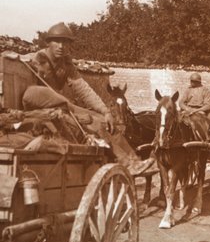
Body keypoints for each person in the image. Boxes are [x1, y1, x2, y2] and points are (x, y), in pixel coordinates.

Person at [22, 22, 154, 175]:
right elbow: (30, 94)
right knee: (95, 125)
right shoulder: (38, 60)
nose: (61, 46)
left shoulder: (66, 64)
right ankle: (126, 163)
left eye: (65, 42)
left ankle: (134, 161)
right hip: (45, 111)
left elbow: (83, 89)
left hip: (62, 106)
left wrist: (105, 111)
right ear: (48, 43)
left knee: (107, 122)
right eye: (57, 41)